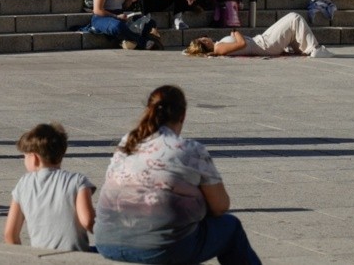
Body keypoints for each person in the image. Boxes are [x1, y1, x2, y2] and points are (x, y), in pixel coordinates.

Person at [94, 85, 261, 264]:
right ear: (183, 116)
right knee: (229, 227)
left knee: (181, 221)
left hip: (106, 241)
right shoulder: (191, 150)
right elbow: (220, 206)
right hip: (159, 248)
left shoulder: (128, 141)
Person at [4, 122, 95, 252]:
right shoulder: (78, 181)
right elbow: (88, 221)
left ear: (34, 158)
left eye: (24, 156)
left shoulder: (23, 184)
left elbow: (10, 235)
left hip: (42, 257)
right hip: (77, 257)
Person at [185, 12, 334, 58]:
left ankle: (305, 49)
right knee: (294, 18)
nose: (206, 37)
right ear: (205, 43)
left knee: (291, 23)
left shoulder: (219, 46)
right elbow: (241, 44)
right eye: (203, 39)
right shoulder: (218, 48)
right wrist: (236, 32)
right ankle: (314, 49)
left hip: (262, 41)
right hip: (265, 45)